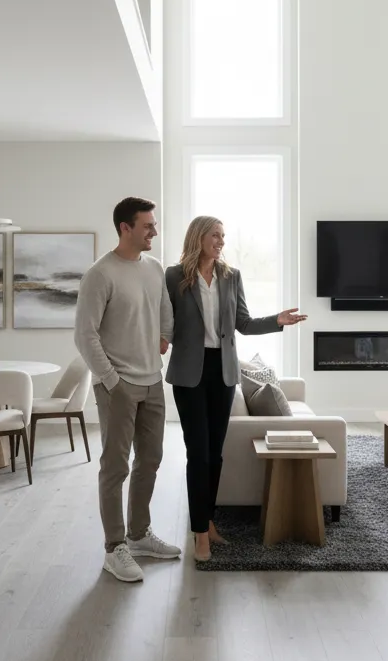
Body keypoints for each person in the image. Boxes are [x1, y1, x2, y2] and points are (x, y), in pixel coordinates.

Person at [165, 216, 306, 562]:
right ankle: (200, 532)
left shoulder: (231, 276)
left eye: (224, 236)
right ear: (199, 236)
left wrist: (276, 321)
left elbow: (242, 323)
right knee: (197, 452)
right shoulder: (173, 276)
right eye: (216, 235)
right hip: (188, 373)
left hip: (224, 372)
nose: (221, 241)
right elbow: (162, 318)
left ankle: (208, 521)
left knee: (216, 453)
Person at [74, 196, 180, 583]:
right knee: (115, 466)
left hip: (153, 381)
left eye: (154, 224)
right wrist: (111, 380)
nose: (154, 231)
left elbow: (164, 308)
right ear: (125, 228)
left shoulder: (152, 268)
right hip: (118, 385)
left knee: (150, 459)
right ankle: (113, 547)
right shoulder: (100, 274)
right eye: (148, 225)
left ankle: (138, 535)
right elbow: (84, 335)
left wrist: (165, 336)